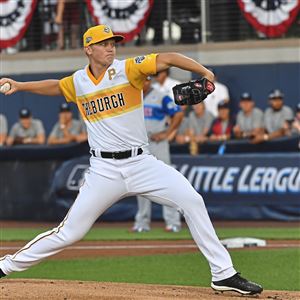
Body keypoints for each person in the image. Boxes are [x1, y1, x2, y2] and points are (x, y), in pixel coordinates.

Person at [0, 24, 263, 295]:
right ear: (88, 49)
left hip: (141, 164)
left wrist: (205, 73)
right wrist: (20, 85)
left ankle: (223, 274)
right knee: (69, 233)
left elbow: (169, 57)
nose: (111, 47)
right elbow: (56, 86)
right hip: (104, 170)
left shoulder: (128, 69)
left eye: (113, 42)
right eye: (104, 43)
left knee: (192, 201)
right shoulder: (79, 81)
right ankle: (4, 266)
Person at [132, 77, 183, 233]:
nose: (144, 83)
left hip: (157, 142)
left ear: (150, 82)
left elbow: (178, 113)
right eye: (142, 80)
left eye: (147, 80)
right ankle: (142, 223)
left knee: (167, 181)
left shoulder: (161, 96)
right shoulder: (132, 97)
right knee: (140, 184)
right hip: (140, 145)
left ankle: (173, 222)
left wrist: (167, 133)